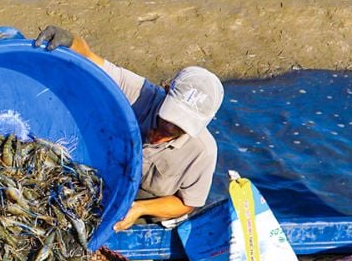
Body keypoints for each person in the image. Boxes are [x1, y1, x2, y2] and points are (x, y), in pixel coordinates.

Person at [36, 25, 224, 231]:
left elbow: (187, 203)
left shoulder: (203, 151)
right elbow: (93, 60)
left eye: (181, 124)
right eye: (171, 116)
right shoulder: (141, 94)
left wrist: (139, 209)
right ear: (167, 89)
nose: (170, 127)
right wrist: (70, 39)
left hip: (143, 205)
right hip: (99, 179)